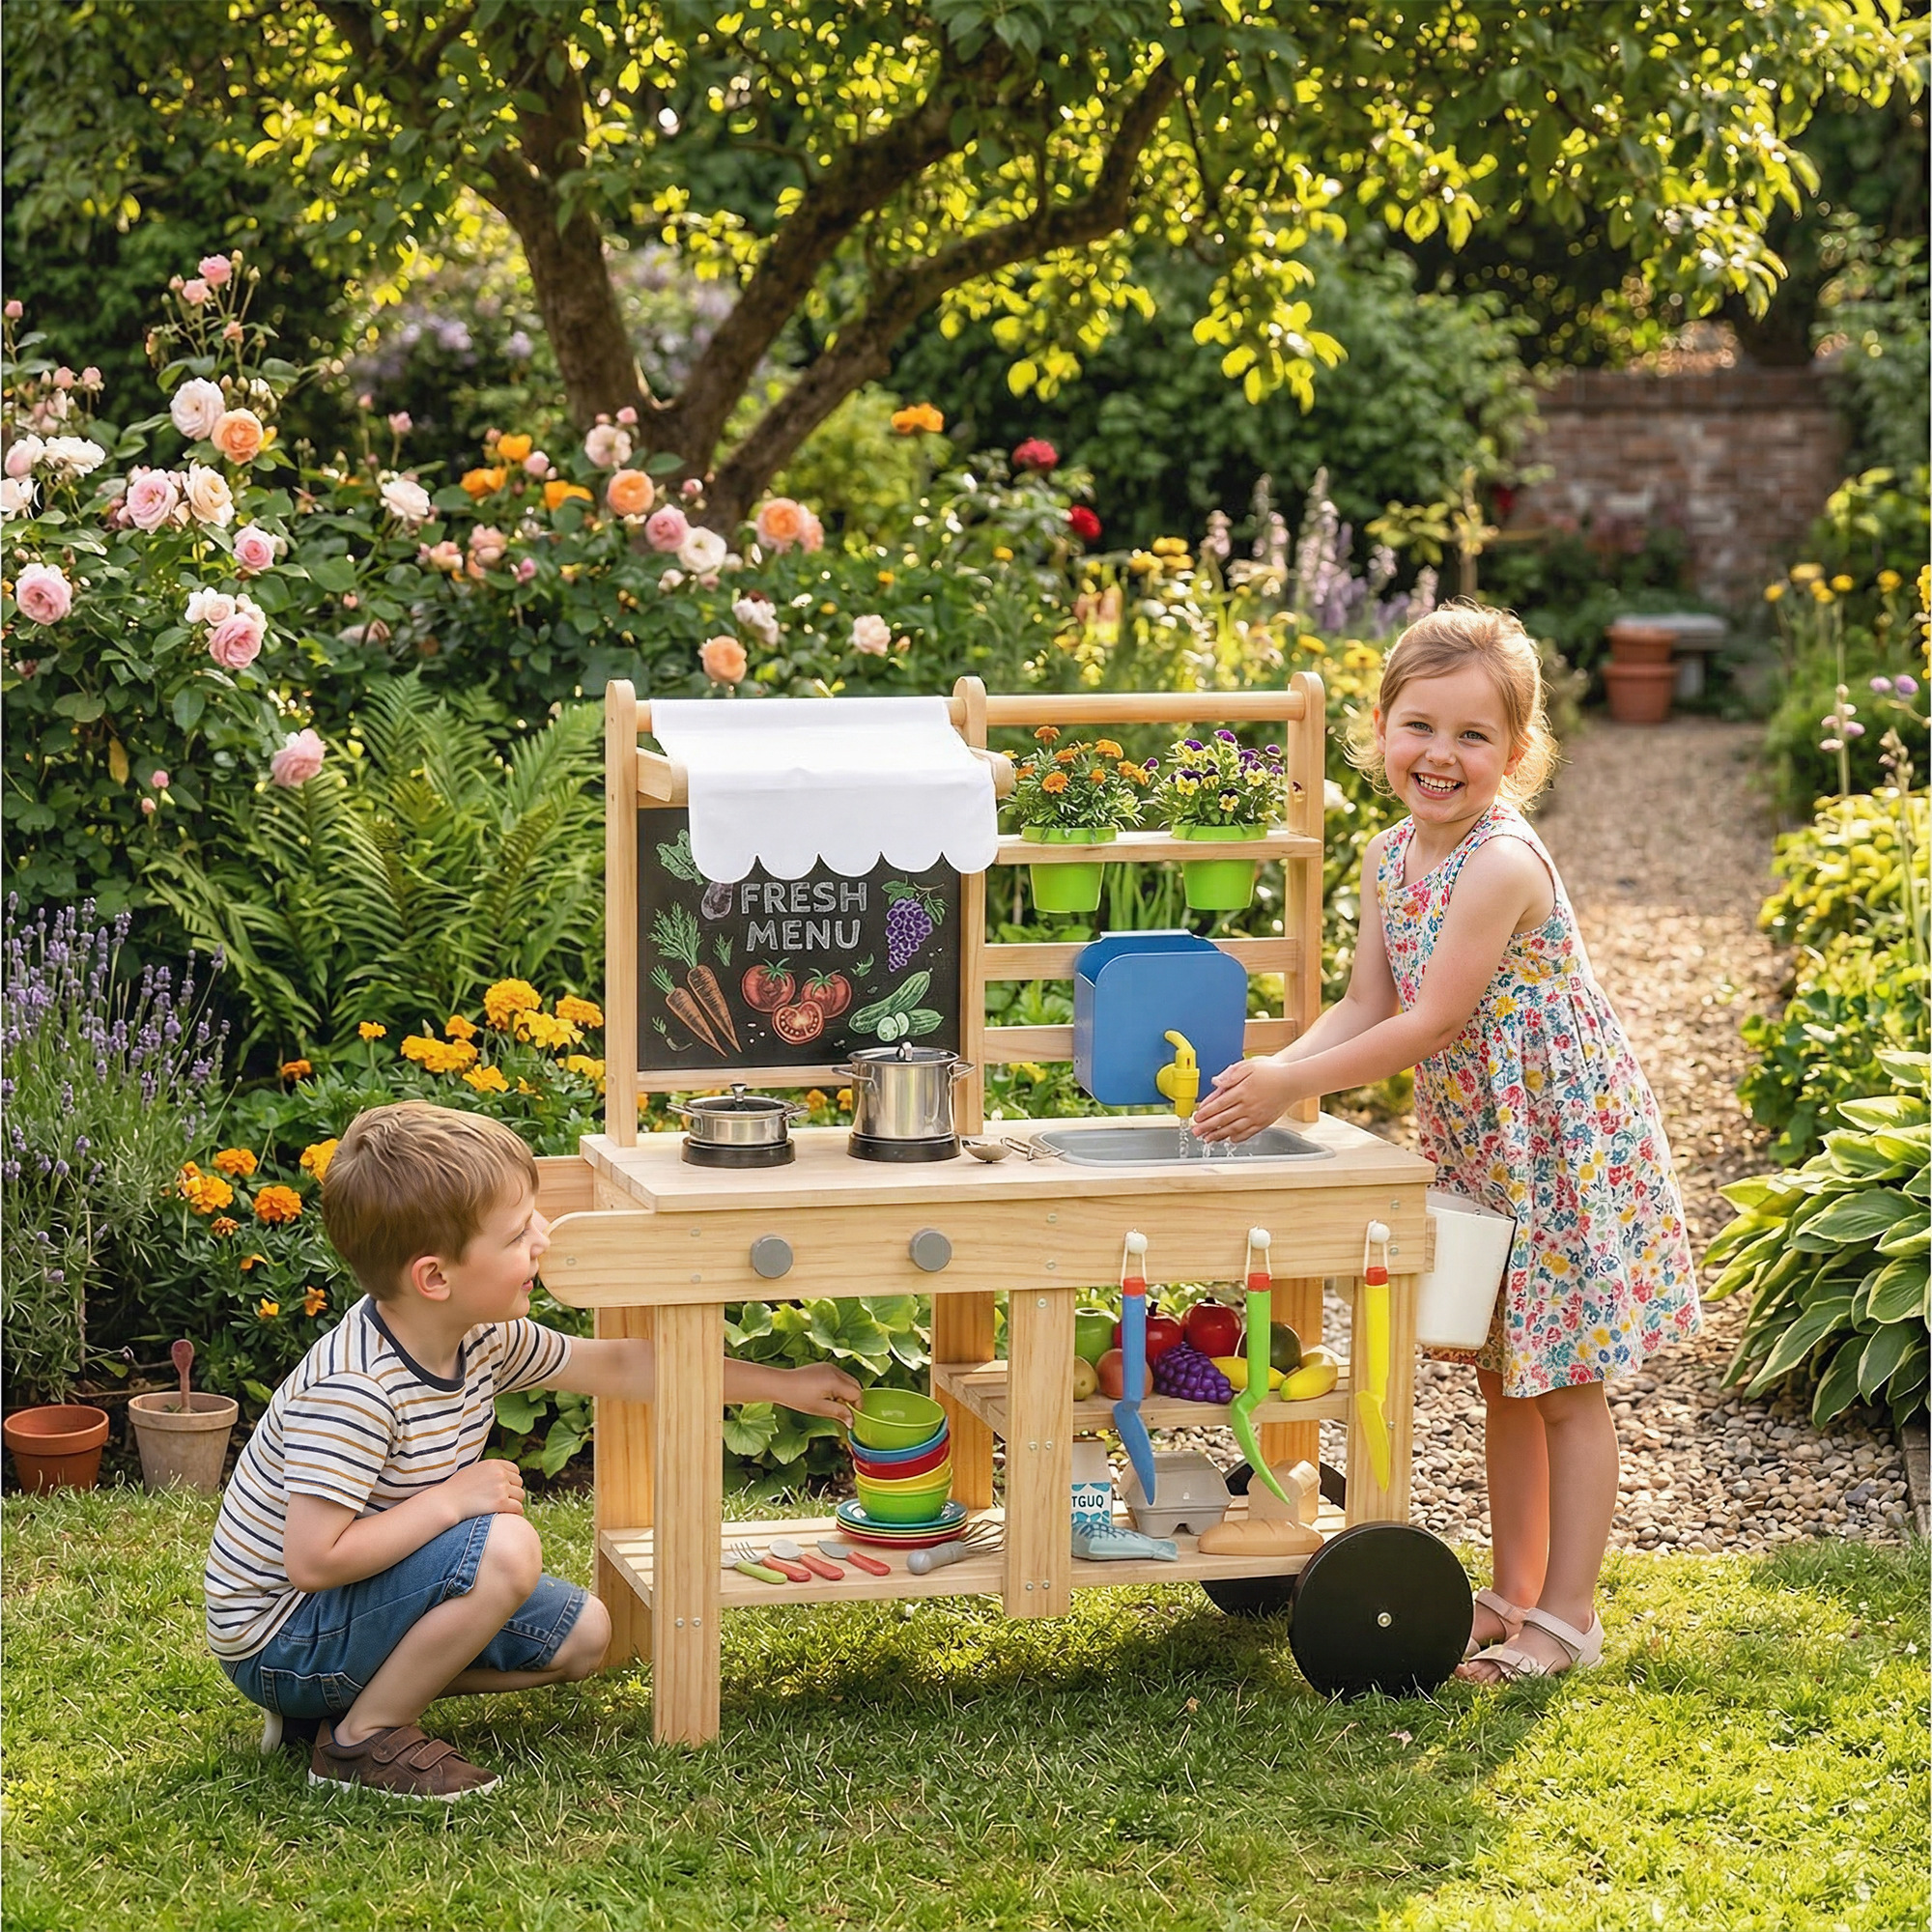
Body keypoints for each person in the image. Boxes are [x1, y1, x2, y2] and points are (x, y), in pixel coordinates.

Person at [1191, 603, 1699, 1684]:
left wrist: (1293, 1081)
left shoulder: (1499, 862)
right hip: (1483, 1141)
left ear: (1516, 755)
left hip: (1562, 1143)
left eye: (1473, 736)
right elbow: (1365, 998)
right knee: (1502, 1377)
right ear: (1379, 731)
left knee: (1565, 1383)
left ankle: (1567, 1617)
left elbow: (1429, 1023)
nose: (1440, 754)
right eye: (1418, 725)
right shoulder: (1387, 857)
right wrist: (1277, 1077)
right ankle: (1510, 1592)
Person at [205, 1100, 859, 1800]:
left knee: (585, 1637)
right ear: (435, 1277)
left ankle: (341, 1706)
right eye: (518, 1234)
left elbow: (620, 1367)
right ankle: (363, 1740)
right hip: (280, 1639)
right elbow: (313, 1560)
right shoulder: (357, 1388)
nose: (544, 1240)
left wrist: (784, 1384)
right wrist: (451, 1502)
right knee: (505, 1549)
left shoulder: (478, 1337)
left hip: (349, 1610)